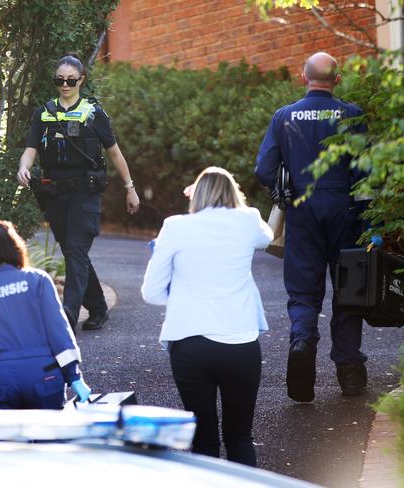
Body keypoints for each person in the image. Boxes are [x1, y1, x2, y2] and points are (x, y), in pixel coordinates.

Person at [255, 52, 369, 403]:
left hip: (302, 210)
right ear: (337, 80)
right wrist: (370, 223)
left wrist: (285, 188)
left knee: (304, 290)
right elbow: (366, 174)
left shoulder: (284, 117)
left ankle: (302, 343)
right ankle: (349, 369)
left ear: (302, 78)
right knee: (350, 289)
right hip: (345, 210)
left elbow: (263, 169)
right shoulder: (352, 116)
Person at [141, 166, 273, 467]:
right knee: (240, 436)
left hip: (190, 343)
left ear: (195, 194)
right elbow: (268, 236)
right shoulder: (248, 220)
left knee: (203, 437)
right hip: (241, 343)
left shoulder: (175, 226)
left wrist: (184, 299)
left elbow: (151, 292)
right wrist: (236, 201)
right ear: (233, 194)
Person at [17, 54, 140, 331]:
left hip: (86, 194)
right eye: (59, 80)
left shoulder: (94, 114)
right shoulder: (44, 113)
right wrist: (23, 168)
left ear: (81, 80)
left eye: (70, 80)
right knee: (75, 253)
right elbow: (30, 150)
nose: (64, 85)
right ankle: (97, 307)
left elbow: (115, 154)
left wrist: (130, 188)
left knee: (75, 249)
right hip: (55, 195)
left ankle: (68, 316)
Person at [0, 221, 91, 409]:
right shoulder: (38, 281)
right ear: (15, 250)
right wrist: (74, 377)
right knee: (49, 437)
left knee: (3, 439)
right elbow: (59, 333)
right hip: (44, 376)